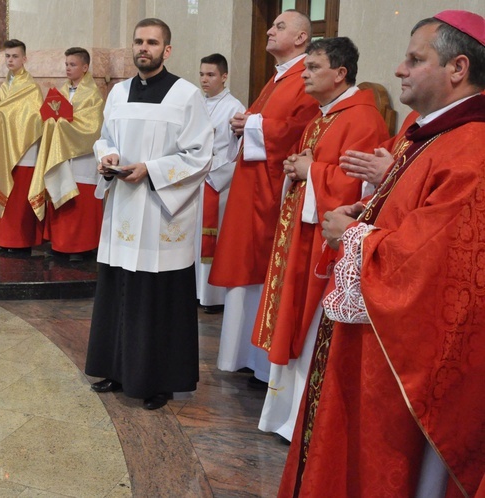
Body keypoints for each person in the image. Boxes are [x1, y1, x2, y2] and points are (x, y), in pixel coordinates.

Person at [280, 11, 485, 497]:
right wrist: (368, 206)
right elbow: (414, 216)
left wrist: (352, 236)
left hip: (404, 357)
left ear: (458, 68)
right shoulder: (433, 133)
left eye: (415, 59)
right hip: (375, 336)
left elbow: (436, 266)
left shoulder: (471, 151)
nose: (398, 70)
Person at [250, 37, 389, 441]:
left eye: (312, 68)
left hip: (323, 249)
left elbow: (360, 192)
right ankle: (283, 416)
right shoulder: (322, 115)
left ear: (340, 73)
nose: (304, 75)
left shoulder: (362, 119)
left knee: (309, 328)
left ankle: (300, 422)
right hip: (300, 237)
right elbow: (315, 164)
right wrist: (300, 167)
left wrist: (312, 171)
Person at [84, 18, 213, 411]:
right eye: (139, 41)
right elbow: (106, 136)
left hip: (161, 214)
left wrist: (151, 170)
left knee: (158, 300)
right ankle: (117, 369)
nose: (144, 48)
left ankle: (160, 381)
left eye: (152, 42)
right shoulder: (118, 93)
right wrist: (105, 156)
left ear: (166, 50)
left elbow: (200, 156)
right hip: (123, 207)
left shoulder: (187, 95)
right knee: (119, 291)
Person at [208, 9, 318, 385]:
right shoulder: (281, 76)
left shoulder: (306, 76)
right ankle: (242, 355)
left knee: (258, 269)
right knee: (244, 270)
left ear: (301, 37)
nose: (270, 31)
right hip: (252, 186)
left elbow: (302, 130)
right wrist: (248, 124)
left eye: (280, 26)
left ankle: (257, 360)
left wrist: (252, 123)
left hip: (270, 194)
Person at [32, 47, 104, 262]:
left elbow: (93, 127)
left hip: (82, 157)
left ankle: (82, 246)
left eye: (73, 64)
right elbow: (50, 116)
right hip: (61, 156)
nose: (68, 68)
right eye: (66, 64)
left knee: (81, 204)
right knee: (59, 196)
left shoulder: (93, 95)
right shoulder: (61, 92)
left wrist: (61, 124)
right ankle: (60, 243)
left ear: (85, 67)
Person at [0, 38, 44, 252]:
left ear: (24, 58)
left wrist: (2, 113)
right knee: (5, 195)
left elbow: (34, 117)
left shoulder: (31, 87)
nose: (10, 60)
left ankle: (20, 242)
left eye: (15, 56)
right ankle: (3, 240)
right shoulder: (5, 85)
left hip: (24, 151)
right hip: (4, 151)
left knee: (19, 201)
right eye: (7, 56)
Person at [195, 53, 245, 313]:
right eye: (202, 74)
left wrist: (217, 175)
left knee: (213, 240)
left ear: (224, 76)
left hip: (218, 182)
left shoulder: (234, 108)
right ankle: (196, 291)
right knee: (194, 240)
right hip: (196, 179)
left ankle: (213, 296)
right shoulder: (197, 102)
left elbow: (239, 150)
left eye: (211, 74)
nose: (204, 79)